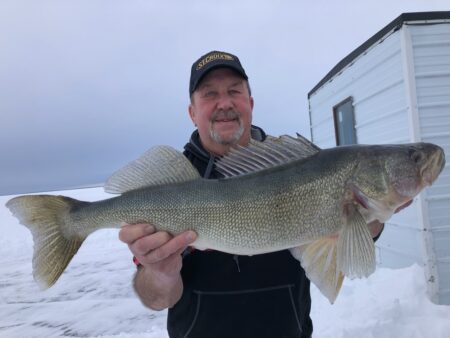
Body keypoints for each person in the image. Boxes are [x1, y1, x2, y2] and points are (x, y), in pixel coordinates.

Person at [118, 50, 386, 338]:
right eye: (209, 94)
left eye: (235, 91)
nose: (224, 103)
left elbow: (345, 241)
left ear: (251, 103)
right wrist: (160, 273)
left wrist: (373, 216)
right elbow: (156, 299)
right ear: (192, 112)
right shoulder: (168, 187)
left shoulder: (296, 166)